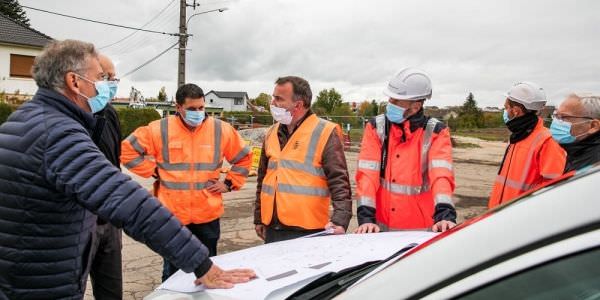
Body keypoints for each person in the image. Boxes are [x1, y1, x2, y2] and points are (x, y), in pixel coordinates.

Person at [0, 39, 254, 299]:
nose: (107, 85)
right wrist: (201, 264)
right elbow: (130, 203)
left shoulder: (23, 120)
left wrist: (229, 182)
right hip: (40, 282)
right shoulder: (58, 135)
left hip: (24, 272)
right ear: (74, 82)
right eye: (100, 77)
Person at [121, 83, 252, 281]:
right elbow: (126, 150)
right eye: (192, 109)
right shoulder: (159, 129)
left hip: (207, 214)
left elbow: (244, 157)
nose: (198, 113)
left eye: (201, 108)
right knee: (174, 272)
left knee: (208, 271)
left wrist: (229, 183)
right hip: (173, 215)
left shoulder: (220, 129)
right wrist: (153, 170)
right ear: (178, 107)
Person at [354, 68, 456, 234]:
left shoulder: (436, 132)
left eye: (396, 101)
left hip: (420, 230)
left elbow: (441, 175)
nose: (390, 104)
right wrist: (366, 219)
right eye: (390, 98)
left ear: (415, 106)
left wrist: (445, 214)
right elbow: (367, 175)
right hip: (381, 227)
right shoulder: (376, 127)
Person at [254, 76, 352, 243]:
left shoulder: (324, 132)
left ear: (298, 105)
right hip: (272, 226)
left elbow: (339, 181)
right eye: (273, 97)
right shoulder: (271, 133)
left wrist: (340, 220)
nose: (272, 103)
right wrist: (258, 217)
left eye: (278, 99)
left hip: (309, 229)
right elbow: (262, 179)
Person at [488, 82, 566, 209]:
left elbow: (554, 190)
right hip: (500, 214)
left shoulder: (547, 141)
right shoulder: (517, 136)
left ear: (516, 111)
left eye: (506, 108)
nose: (505, 112)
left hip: (520, 218)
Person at [85, 53, 124, 299]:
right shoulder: (63, 119)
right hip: (80, 219)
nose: (111, 83)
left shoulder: (109, 114)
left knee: (111, 289)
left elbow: (115, 161)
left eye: (113, 78)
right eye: (104, 77)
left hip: (109, 216)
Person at [550, 93, 600, 172]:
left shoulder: (595, 165)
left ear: (593, 126)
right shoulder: (571, 151)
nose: (557, 122)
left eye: (564, 117)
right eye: (556, 116)